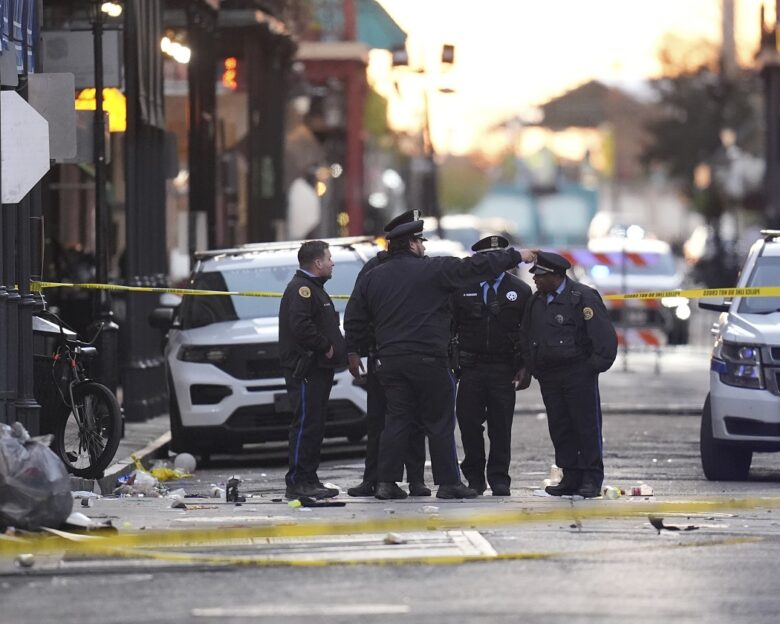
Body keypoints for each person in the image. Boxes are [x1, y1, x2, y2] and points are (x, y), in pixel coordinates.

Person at [345, 219, 535, 500]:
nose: (423, 246)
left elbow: (355, 316)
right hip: (429, 360)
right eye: (420, 241)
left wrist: (353, 351)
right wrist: (517, 255)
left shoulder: (374, 276)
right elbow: (475, 267)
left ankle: (385, 483)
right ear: (411, 244)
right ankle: (448, 483)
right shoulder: (434, 269)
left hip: (392, 361)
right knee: (439, 421)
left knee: (396, 421)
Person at [520, 251, 617, 498]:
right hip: (550, 375)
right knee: (560, 427)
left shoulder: (582, 297)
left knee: (585, 426)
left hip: (577, 373)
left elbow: (603, 337)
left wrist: (591, 368)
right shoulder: (536, 301)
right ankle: (570, 475)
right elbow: (528, 335)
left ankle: (591, 478)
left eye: (540, 275)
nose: (535, 280)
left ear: (557, 275)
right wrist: (533, 367)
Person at [346, 210, 429, 498]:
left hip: (406, 354)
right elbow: (356, 312)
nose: (422, 246)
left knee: (414, 420)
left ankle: (416, 479)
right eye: (418, 239)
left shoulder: (423, 267)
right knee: (379, 420)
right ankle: (374, 478)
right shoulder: (374, 268)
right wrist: (354, 350)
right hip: (380, 354)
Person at [452, 235, 532, 497]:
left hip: (503, 368)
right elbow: (450, 327)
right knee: (469, 425)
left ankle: (499, 479)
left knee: (501, 427)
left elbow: (526, 333)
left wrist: (525, 366)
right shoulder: (463, 287)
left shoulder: (519, 290)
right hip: (471, 367)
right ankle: (474, 477)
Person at [279, 240, 347, 500]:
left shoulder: (313, 288)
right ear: (317, 263)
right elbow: (301, 326)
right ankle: (297, 481)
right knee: (306, 423)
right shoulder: (302, 290)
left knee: (315, 425)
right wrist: (325, 346)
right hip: (308, 367)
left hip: (319, 369)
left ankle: (310, 478)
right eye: (329, 258)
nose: (332, 263)